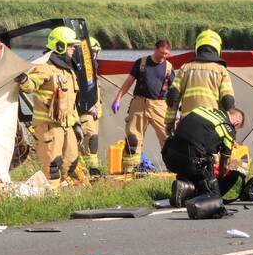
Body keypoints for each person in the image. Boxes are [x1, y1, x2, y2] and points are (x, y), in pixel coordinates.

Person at [17, 26, 80, 188]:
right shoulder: (45, 67)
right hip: (49, 127)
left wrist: (76, 123)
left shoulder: (68, 70)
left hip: (67, 126)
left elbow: (70, 101)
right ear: (60, 46)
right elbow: (30, 85)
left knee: (71, 161)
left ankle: (62, 191)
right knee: (53, 164)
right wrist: (23, 79)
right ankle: (50, 196)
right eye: (71, 45)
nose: (73, 49)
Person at [112, 38, 175, 174]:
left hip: (160, 105)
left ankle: (173, 168)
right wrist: (117, 99)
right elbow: (128, 82)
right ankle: (130, 170)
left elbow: (174, 90)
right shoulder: (141, 63)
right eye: (162, 53)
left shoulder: (169, 67)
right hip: (139, 103)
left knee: (168, 138)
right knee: (133, 138)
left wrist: (177, 110)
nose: (164, 56)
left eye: (166, 54)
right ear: (155, 48)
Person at [162, 105, 245, 206]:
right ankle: (188, 193)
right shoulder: (228, 129)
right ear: (236, 123)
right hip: (192, 162)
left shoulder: (201, 110)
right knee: (213, 195)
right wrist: (219, 177)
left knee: (197, 157)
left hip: (170, 157)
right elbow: (224, 161)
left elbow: (182, 129)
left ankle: (184, 185)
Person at [166, 28, 236, 133]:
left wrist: (169, 122)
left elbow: (172, 98)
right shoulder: (221, 71)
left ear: (197, 47)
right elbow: (228, 101)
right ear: (218, 48)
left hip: (188, 124)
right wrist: (229, 126)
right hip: (212, 124)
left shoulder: (185, 68)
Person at [78, 36, 103, 176]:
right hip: (86, 113)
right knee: (90, 141)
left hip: (94, 114)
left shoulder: (92, 68)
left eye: (96, 52)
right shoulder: (81, 69)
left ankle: (89, 171)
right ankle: (91, 172)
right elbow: (78, 92)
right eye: (91, 51)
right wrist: (88, 106)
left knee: (92, 142)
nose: (94, 54)